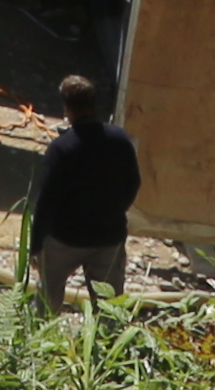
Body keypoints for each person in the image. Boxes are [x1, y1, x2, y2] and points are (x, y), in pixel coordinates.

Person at [31, 69, 141, 315]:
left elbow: (46, 202)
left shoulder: (61, 148)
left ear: (67, 108)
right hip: (108, 238)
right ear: (94, 104)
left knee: (48, 298)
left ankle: (41, 335)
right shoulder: (119, 140)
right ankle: (109, 339)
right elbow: (133, 183)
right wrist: (114, 212)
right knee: (110, 305)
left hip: (65, 239)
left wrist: (36, 245)